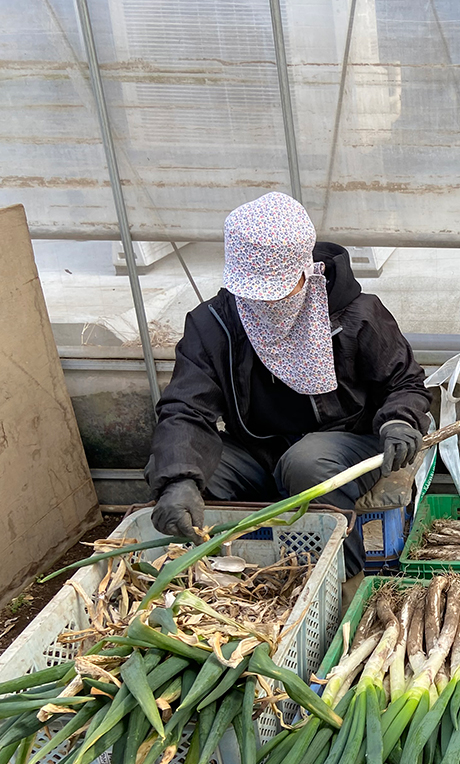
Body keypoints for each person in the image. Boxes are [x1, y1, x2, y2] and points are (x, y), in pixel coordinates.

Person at [145, 191, 432, 575]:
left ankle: (333, 577)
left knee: (307, 461)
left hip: (346, 441)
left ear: (304, 270)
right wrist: (178, 478)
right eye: (252, 293)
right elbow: (184, 408)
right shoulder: (214, 324)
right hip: (259, 448)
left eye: (277, 291)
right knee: (193, 472)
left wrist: (400, 420)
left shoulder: (356, 314)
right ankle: (224, 577)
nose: (264, 304)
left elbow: (406, 382)